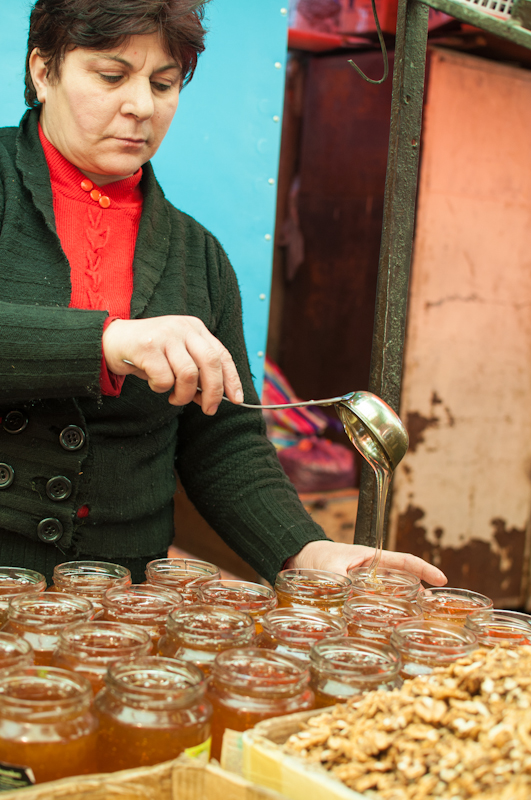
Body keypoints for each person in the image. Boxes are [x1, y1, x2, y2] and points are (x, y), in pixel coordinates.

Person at [0, 0, 446, 589]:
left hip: (121, 604)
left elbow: (224, 441)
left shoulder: (198, 256)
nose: (141, 106)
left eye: (163, 84)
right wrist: (108, 342)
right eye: (111, 76)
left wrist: (304, 549)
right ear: (43, 70)